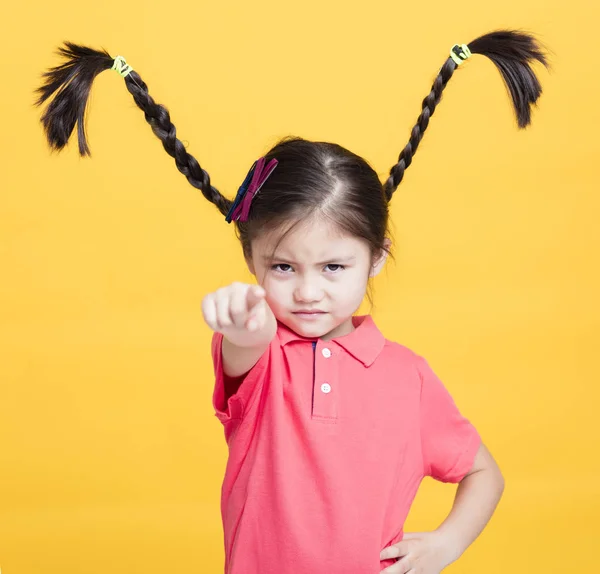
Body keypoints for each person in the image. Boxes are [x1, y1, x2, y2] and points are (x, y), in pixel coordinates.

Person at [34, 29, 549, 573]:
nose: (307, 291)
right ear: (253, 260)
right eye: (283, 267)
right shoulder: (263, 357)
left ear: (376, 258)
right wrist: (243, 323)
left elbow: (483, 473)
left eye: (333, 267)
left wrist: (445, 544)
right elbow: (246, 346)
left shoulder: (410, 376)